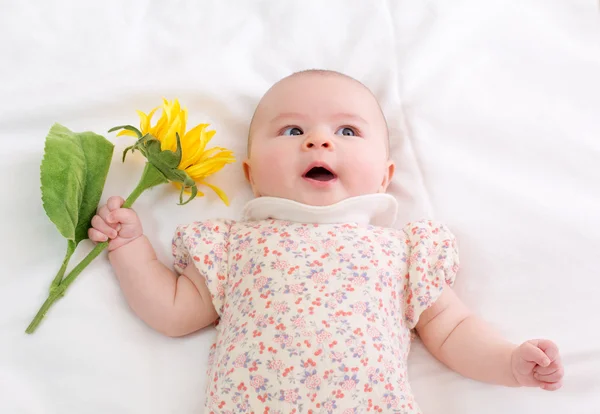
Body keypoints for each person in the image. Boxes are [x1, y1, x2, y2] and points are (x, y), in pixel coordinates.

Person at [89, 70, 564, 413]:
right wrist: (131, 249)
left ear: (384, 175)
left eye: (347, 130)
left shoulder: (403, 251)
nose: (318, 141)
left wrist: (508, 362)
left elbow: (454, 329)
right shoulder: (233, 246)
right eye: (292, 130)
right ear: (252, 176)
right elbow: (173, 312)